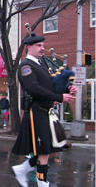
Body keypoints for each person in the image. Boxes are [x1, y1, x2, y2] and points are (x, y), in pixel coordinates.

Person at [11, 33, 77, 187]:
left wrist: (67, 88)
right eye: (39, 46)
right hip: (36, 111)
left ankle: (22, 169)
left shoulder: (42, 65)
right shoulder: (26, 66)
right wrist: (60, 97)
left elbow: (51, 84)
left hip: (46, 112)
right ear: (29, 47)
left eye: (43, 45)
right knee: (44, 150)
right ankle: (42, 182)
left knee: (51, 148)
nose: (43, 48)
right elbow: (34, 89)